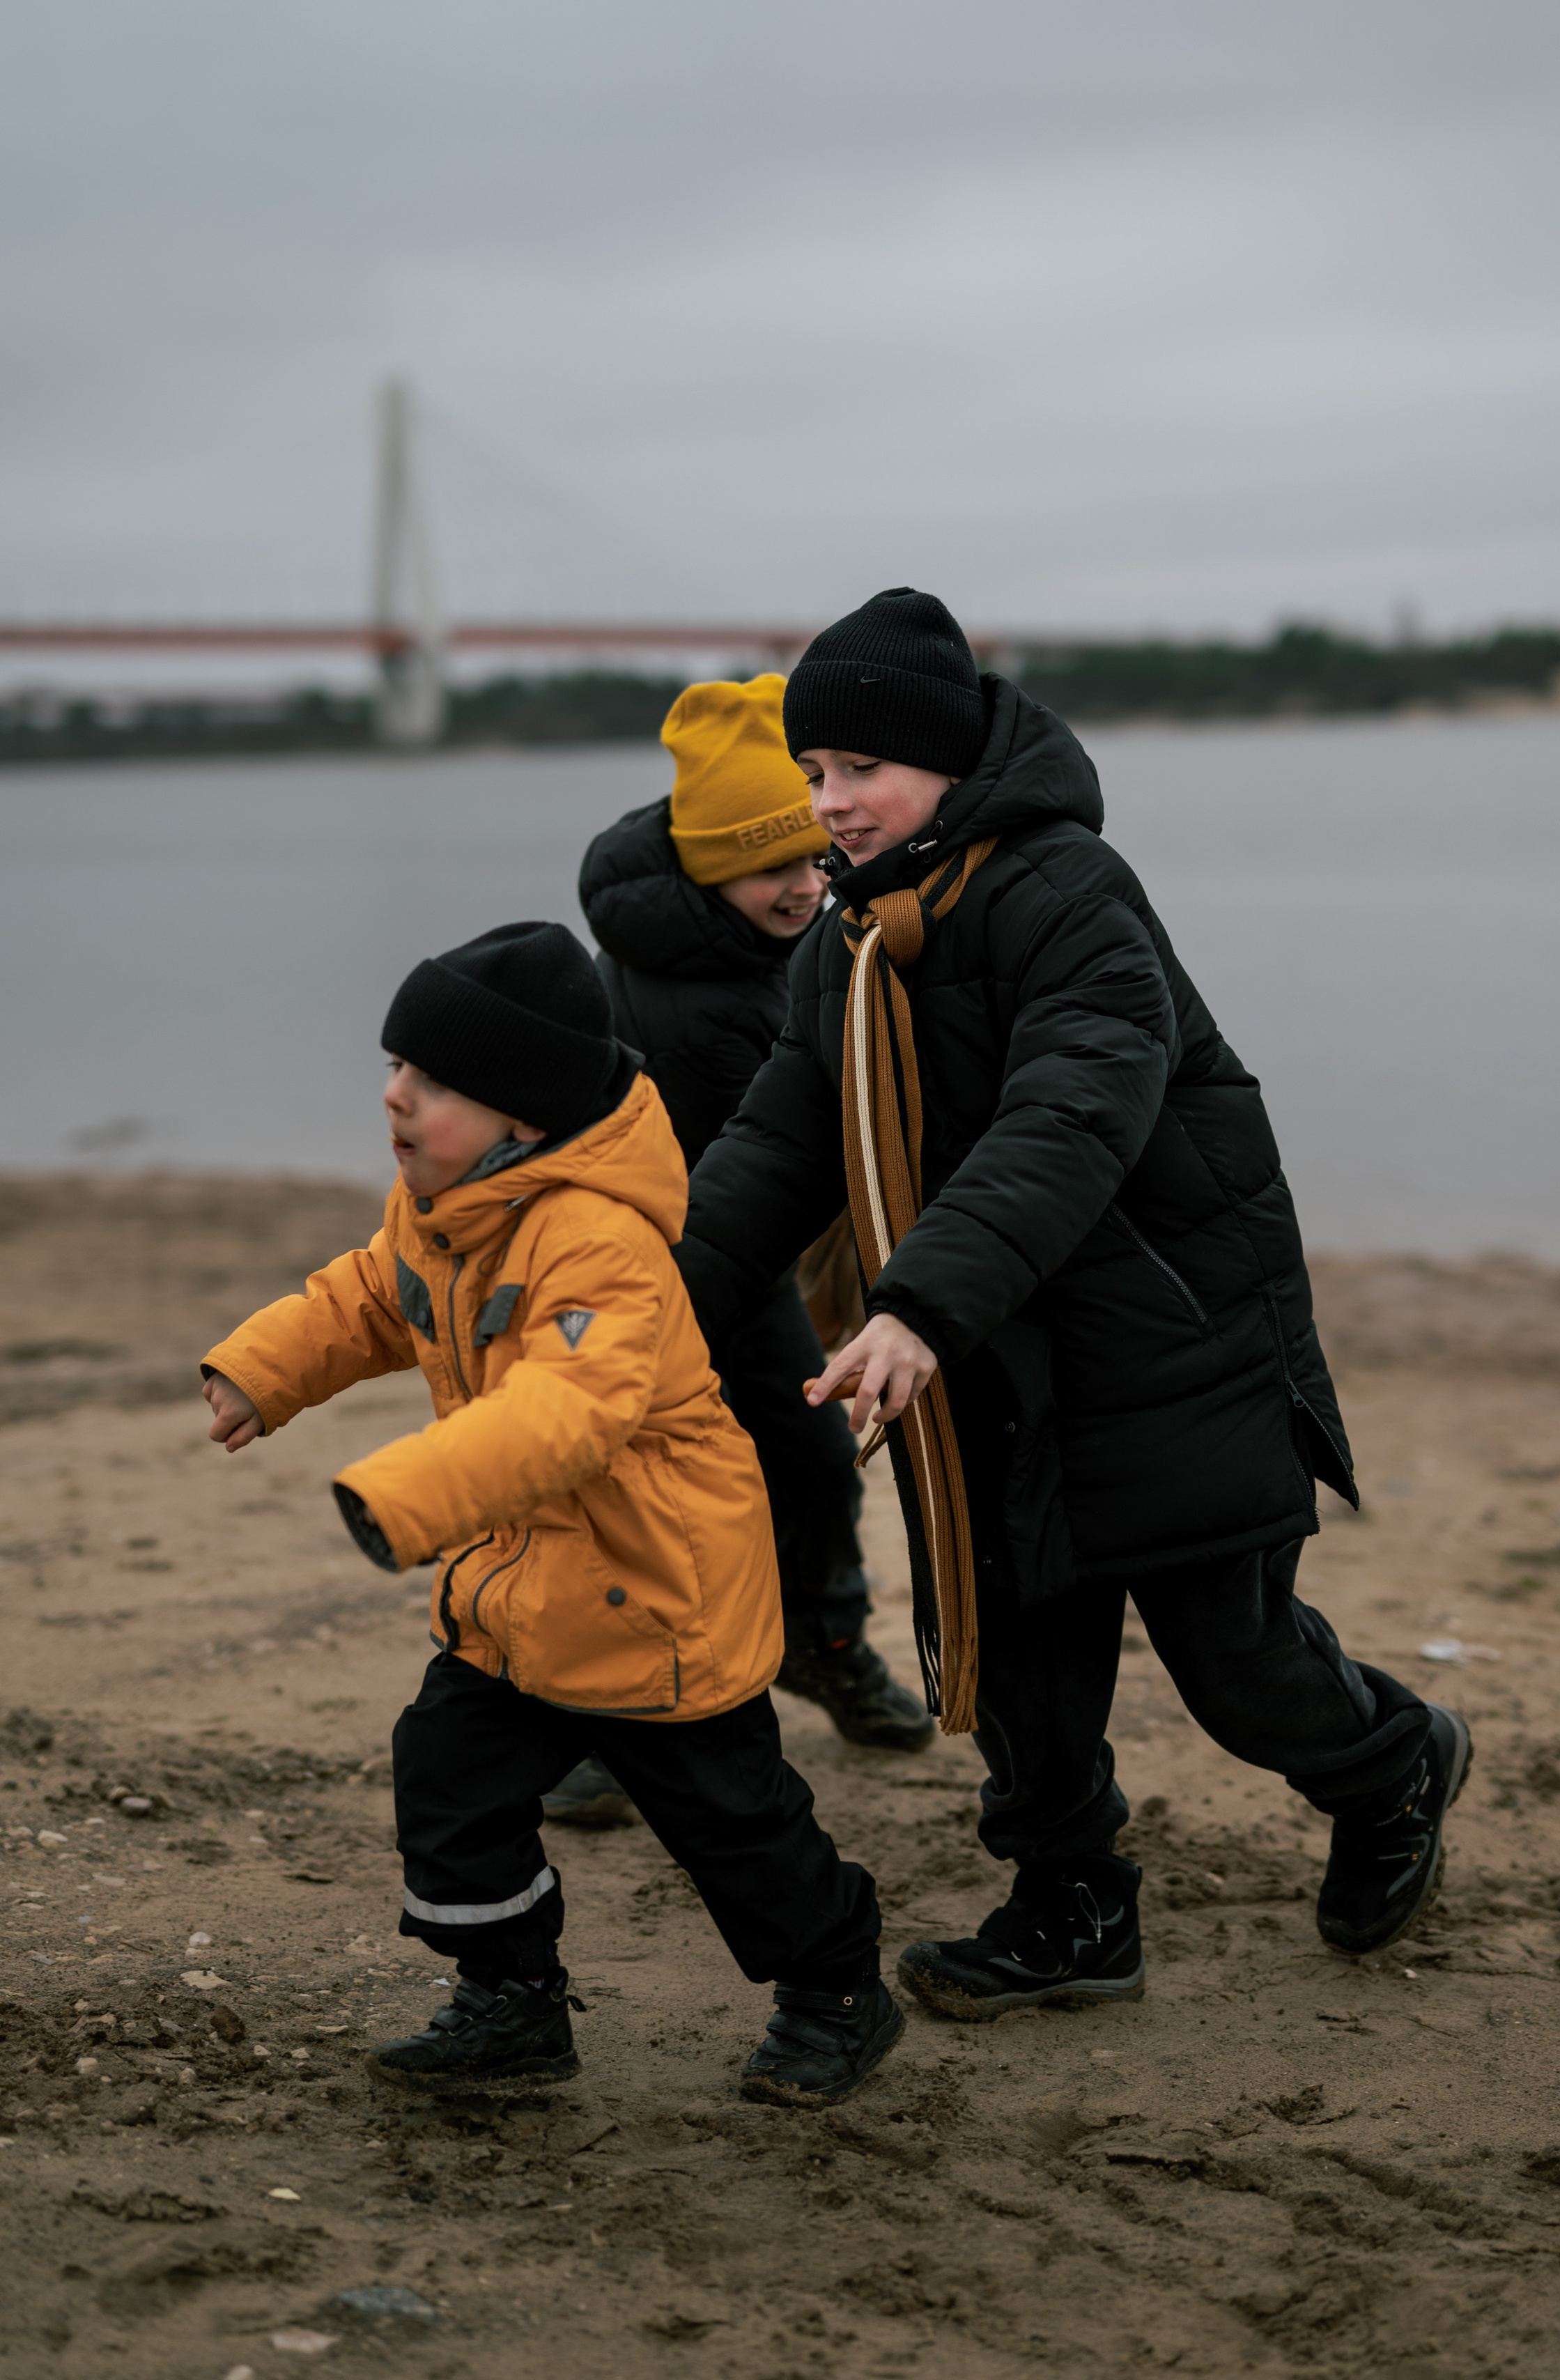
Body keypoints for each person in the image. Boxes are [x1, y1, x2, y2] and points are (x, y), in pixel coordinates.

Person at [676, 589, 1470, 2023]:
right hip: (994, 1356)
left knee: (1236, 1667)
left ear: (947, 760)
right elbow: (777, 1144)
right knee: (1025, 1654)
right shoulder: (849, 941)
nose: (829, 804)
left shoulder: (1065, 893)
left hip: (1161, 1341)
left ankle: (1391, 1761)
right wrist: (647, 1305)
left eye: (858, 770)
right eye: (812, 774)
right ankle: (1072, 1907)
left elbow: (1067, 1118)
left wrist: (912, 1303)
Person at [195, 919, 902, 2105]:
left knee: (736, 1829)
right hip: (521, 1597)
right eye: (397, 1070)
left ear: (524, 1119)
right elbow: (374, 1296)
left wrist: (406, 1489)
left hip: (656, 1597)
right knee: (447, 1775)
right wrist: (265, 1370)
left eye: (435, 1086)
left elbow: (567, 1411)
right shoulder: (443, 1207)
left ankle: (838, 1988)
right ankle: (511, 2000)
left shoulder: (601, 1243)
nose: (396, 1101)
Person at [546, 673, 929, 1844]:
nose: (809, 885)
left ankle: (824, 1646)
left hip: (738, 1267)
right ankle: (597, 1729)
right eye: (779, 868)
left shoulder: (777, 938)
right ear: (709, 866)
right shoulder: (674, 996)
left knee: (810, 1464)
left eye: (817, 857)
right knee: (637, 1497)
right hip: (637, 1271)